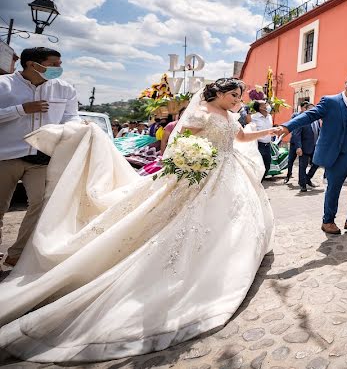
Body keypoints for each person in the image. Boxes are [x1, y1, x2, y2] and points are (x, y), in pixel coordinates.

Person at [0, 78, 279, 362]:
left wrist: (271, 130)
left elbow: (240, 138)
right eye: (233, 95)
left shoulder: (231, 116)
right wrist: (192, 158)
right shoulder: (201, 112)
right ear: (217, 93)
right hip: (202, 172)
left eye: (239, 96)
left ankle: (233, 258)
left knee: (236, 220)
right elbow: (181, 142)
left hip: (230, 171)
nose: (237, 101)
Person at [276, 75, 347, 235]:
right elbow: (310, 115)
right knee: (334, 189)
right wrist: (287, 126)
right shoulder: (330, 102)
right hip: (338, 156)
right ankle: (328, 221)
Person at [0, 47, 80, 268]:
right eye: (54, 64)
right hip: (6, 156)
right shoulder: (4, 85)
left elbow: (71, 116)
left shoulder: (64, 89)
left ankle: (17, 253)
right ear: (32, 65)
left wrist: (76, 127)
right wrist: (20, 110)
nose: (59, 69)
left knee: (41, 205)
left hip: (43, 158)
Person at [286, 102, 318, 191]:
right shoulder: (302, 120)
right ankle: (303, 185)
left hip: (315, 147)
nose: (314, 110)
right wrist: (298, 147)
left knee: (317, 163)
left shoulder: (316, 120)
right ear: (306, 110)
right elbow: (296, 134)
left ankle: (308, 178)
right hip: (304, 147)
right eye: (311, 108)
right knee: (302, 166)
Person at [249, 100, 274, 181]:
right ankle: (257, 183)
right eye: (264, 104)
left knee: (267, 166)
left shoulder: (269, 116)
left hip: (268, 145)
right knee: (258, 166)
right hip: (258, 145)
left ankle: (260, 181)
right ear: (260, 107)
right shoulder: (253, 117)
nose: (266, 106)